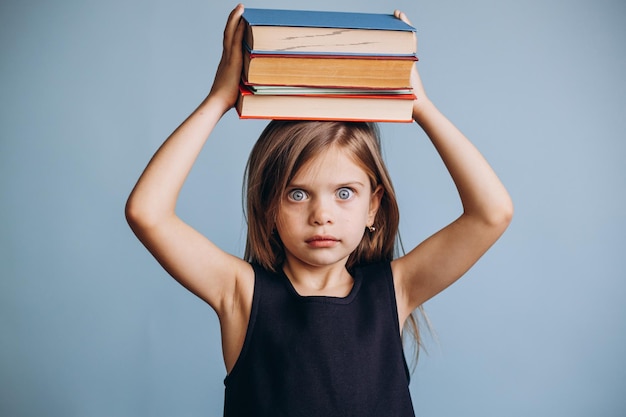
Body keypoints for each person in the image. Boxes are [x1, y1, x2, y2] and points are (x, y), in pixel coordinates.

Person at [125, 4, 513, 416]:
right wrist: (220, 98)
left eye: (344, 193)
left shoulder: (395, 290)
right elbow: (147, 212)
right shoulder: (240, 292)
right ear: (268, 207)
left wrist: (421, 106)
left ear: (373, 207)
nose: (321, 214)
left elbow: (492, 213)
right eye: (297, 194)